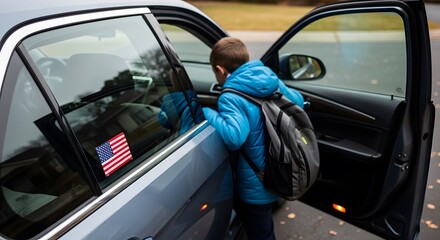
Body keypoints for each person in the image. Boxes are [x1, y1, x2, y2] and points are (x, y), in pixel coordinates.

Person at [202, 37, 304, 240]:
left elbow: (234, 137)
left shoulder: (230, 96)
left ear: (221, 70)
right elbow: (298, 102)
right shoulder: (267, 77)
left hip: (256, 182)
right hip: (281, 169)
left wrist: (206, 112)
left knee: (261, 233)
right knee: (262, 224)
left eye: (215, 72)